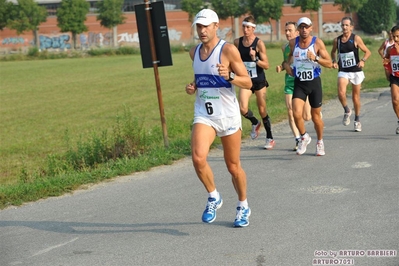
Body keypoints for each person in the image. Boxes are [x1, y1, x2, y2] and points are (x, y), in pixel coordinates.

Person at [185, 9, 253, 227]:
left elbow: (248, 82)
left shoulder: (229, 50)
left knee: (233, 167)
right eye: (199, 26)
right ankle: (214, 195)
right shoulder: (193, 52)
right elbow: (201, 76)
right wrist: (193, 85)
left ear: (216, 26)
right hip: (205, 114)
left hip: (228, 116)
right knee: (197, 157)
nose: (202, 30)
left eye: (206, 26)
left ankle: (243, 205)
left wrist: (230, 76)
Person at [282, 17, 332, 156]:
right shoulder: (293, 43)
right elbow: (287, 60)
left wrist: (315, 58)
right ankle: (304, 137)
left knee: (316, 117)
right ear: (298, 29)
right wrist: (287, 66)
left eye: (306, 27)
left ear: (311, 28)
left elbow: (329, 63)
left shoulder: (317, 43)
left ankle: (320, 142)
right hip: (300, 83)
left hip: (314, 83)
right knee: (296, 112)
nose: (304, 30)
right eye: (301, 27)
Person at [233, 15, 275, 149]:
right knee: (242, 108)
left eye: (248, 27)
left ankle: (269, 137)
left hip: (259, 81)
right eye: (244, 27)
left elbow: (267, 65)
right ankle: (255, 122)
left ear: (253, 28)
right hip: (245, 81)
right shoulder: (237, 42)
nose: (245, 30)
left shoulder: (259, 43)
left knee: (262, 109)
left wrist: (255, 58)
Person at [330, 17, 371, 132]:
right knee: (341, 92)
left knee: (355, 97)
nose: (344, 27)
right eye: (343, 25)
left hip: (356, 71)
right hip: (343, 71)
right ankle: (347, 110)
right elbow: (333, 51)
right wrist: (334, 61)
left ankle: (357, 120)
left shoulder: (356, 38)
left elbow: (367, 52)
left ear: (351, 27)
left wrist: (363, 60)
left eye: (347, 25)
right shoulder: (337, 40)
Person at [276, 21, 312, 151]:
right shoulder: (284, 47)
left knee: (307, 116)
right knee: (290, 111)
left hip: (302, 83)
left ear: (297, 32)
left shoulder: (303, 45)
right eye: (285, 30)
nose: (287, 33)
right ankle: (298, 138)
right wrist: (282, 66)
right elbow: (287, 62)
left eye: (289, 30)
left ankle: (304, 133)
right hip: (289, 83)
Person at [382, 25, 399, 134]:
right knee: (395, 100)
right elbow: (386, 59)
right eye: (394, 37)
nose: (396, 39)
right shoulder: (390, 49)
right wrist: (387, 67)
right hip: (395, 77)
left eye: (398, 36)